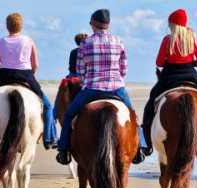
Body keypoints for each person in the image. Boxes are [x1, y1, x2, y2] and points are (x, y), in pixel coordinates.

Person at [56, 9, 149, 165]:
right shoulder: (118, 41)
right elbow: (123, 69)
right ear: (108, 25)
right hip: (116, 87)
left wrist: (87, 82)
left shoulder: (85, 43)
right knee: (133, 116)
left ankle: (63, 150)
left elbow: (80, 71)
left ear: (93, 24)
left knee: (69, 115)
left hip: (92, 88)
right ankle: (140, 147)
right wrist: (116, 80)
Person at [141, 9, 197, 153]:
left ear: (173, 23)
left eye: (169, 23)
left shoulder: (168, 39)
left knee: (150, 103)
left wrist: (171, 60)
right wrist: (189, 62)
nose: (169, 25)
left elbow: (159, 62)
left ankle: (146, 143)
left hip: (169, 77)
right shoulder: (194, 39)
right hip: (190, 76)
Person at [0, 13, 58, 149]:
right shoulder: (29, 40)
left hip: (4, 75)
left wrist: (2, 76)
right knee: (48, 106)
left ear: (7, 26)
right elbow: (35, 65)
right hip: (25, 75)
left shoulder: (0, 42)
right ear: (21, 25)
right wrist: (30, 75)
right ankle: (50, 138)